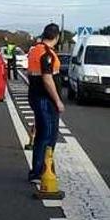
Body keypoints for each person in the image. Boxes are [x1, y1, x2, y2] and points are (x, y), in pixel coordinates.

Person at [27, 23, 64, 189]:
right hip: (45, 98)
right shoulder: (47, 54)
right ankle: (41, 171)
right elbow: (48, 79)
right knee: (48, 135)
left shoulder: (34, 50)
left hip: (36, 96)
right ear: (56, 37)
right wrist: (57, 100)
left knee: (43, 132)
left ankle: (41, 168)